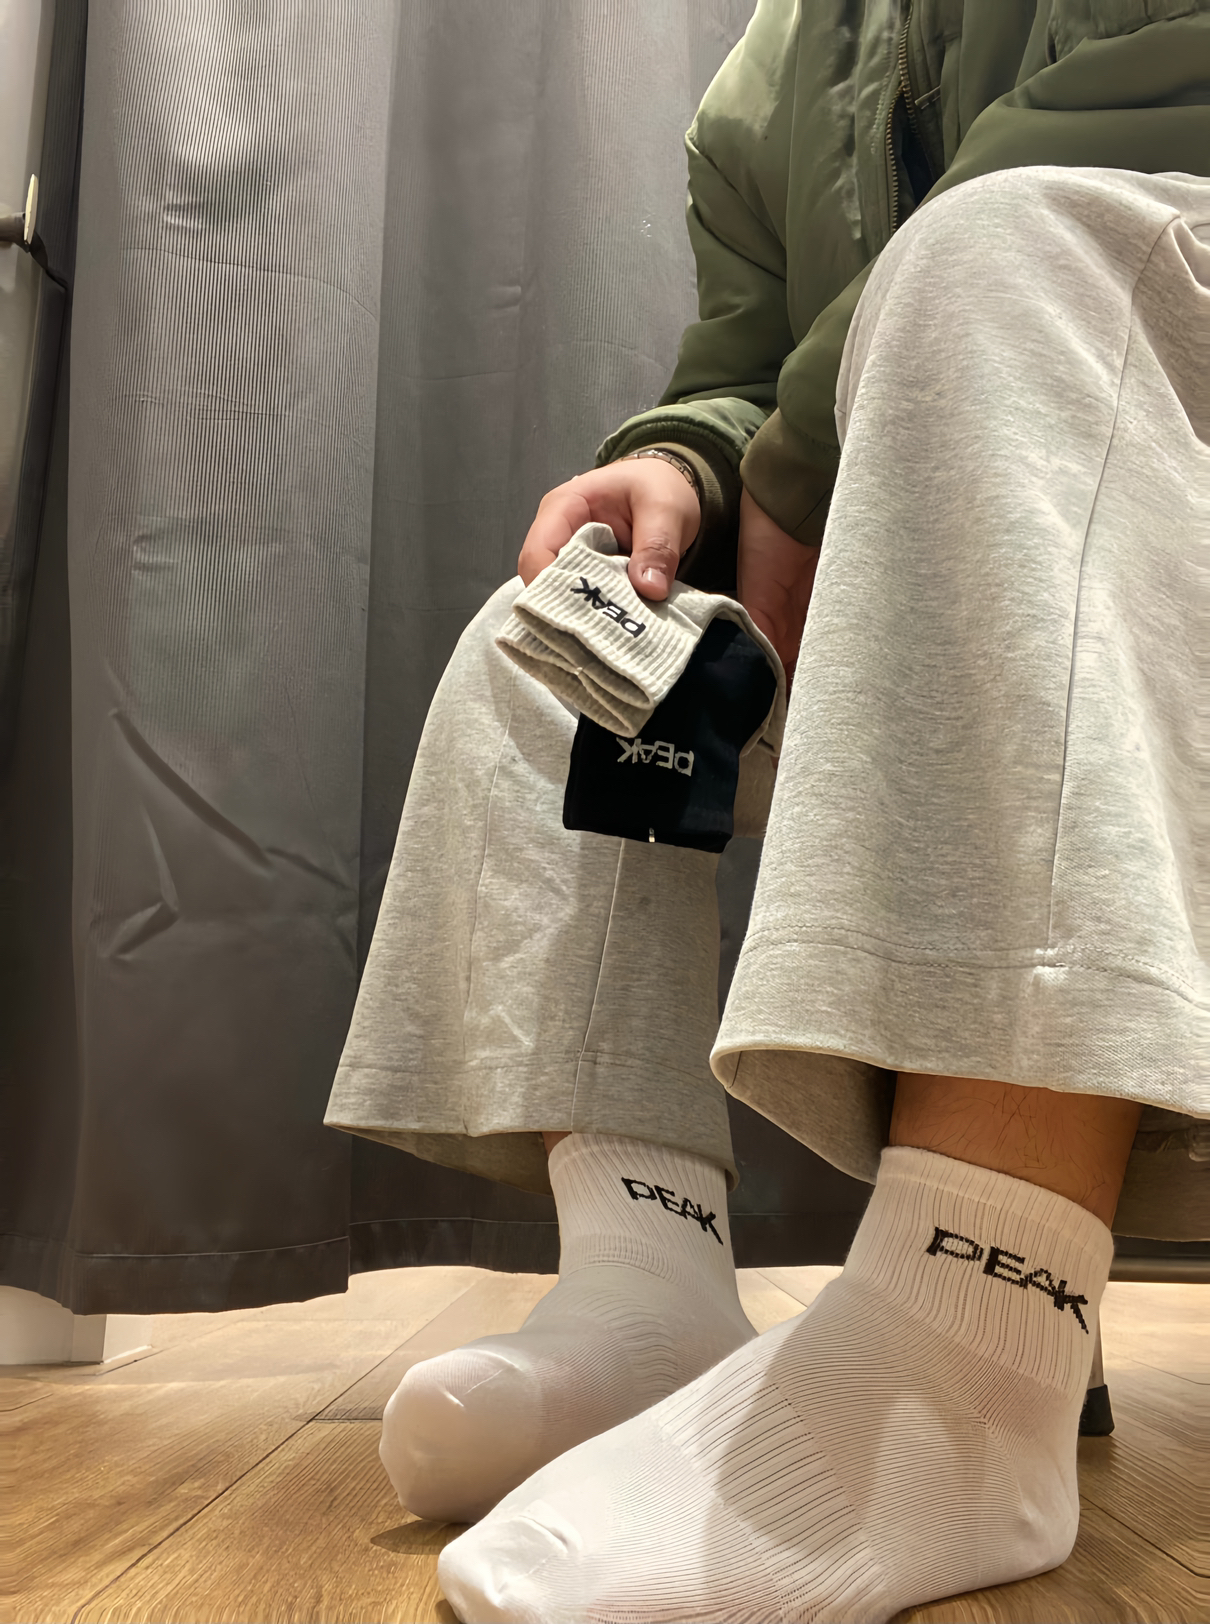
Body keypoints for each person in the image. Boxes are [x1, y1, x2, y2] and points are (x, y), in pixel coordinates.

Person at [326, 2, 1209, 1618]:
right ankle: (643, 1281)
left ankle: (968, 1349)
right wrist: (689, 458)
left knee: (1002, 256)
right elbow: (741, 366)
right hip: (929, 507)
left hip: (1154, 477)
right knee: (578, 637)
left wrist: (799, 448)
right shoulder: (776, 66)